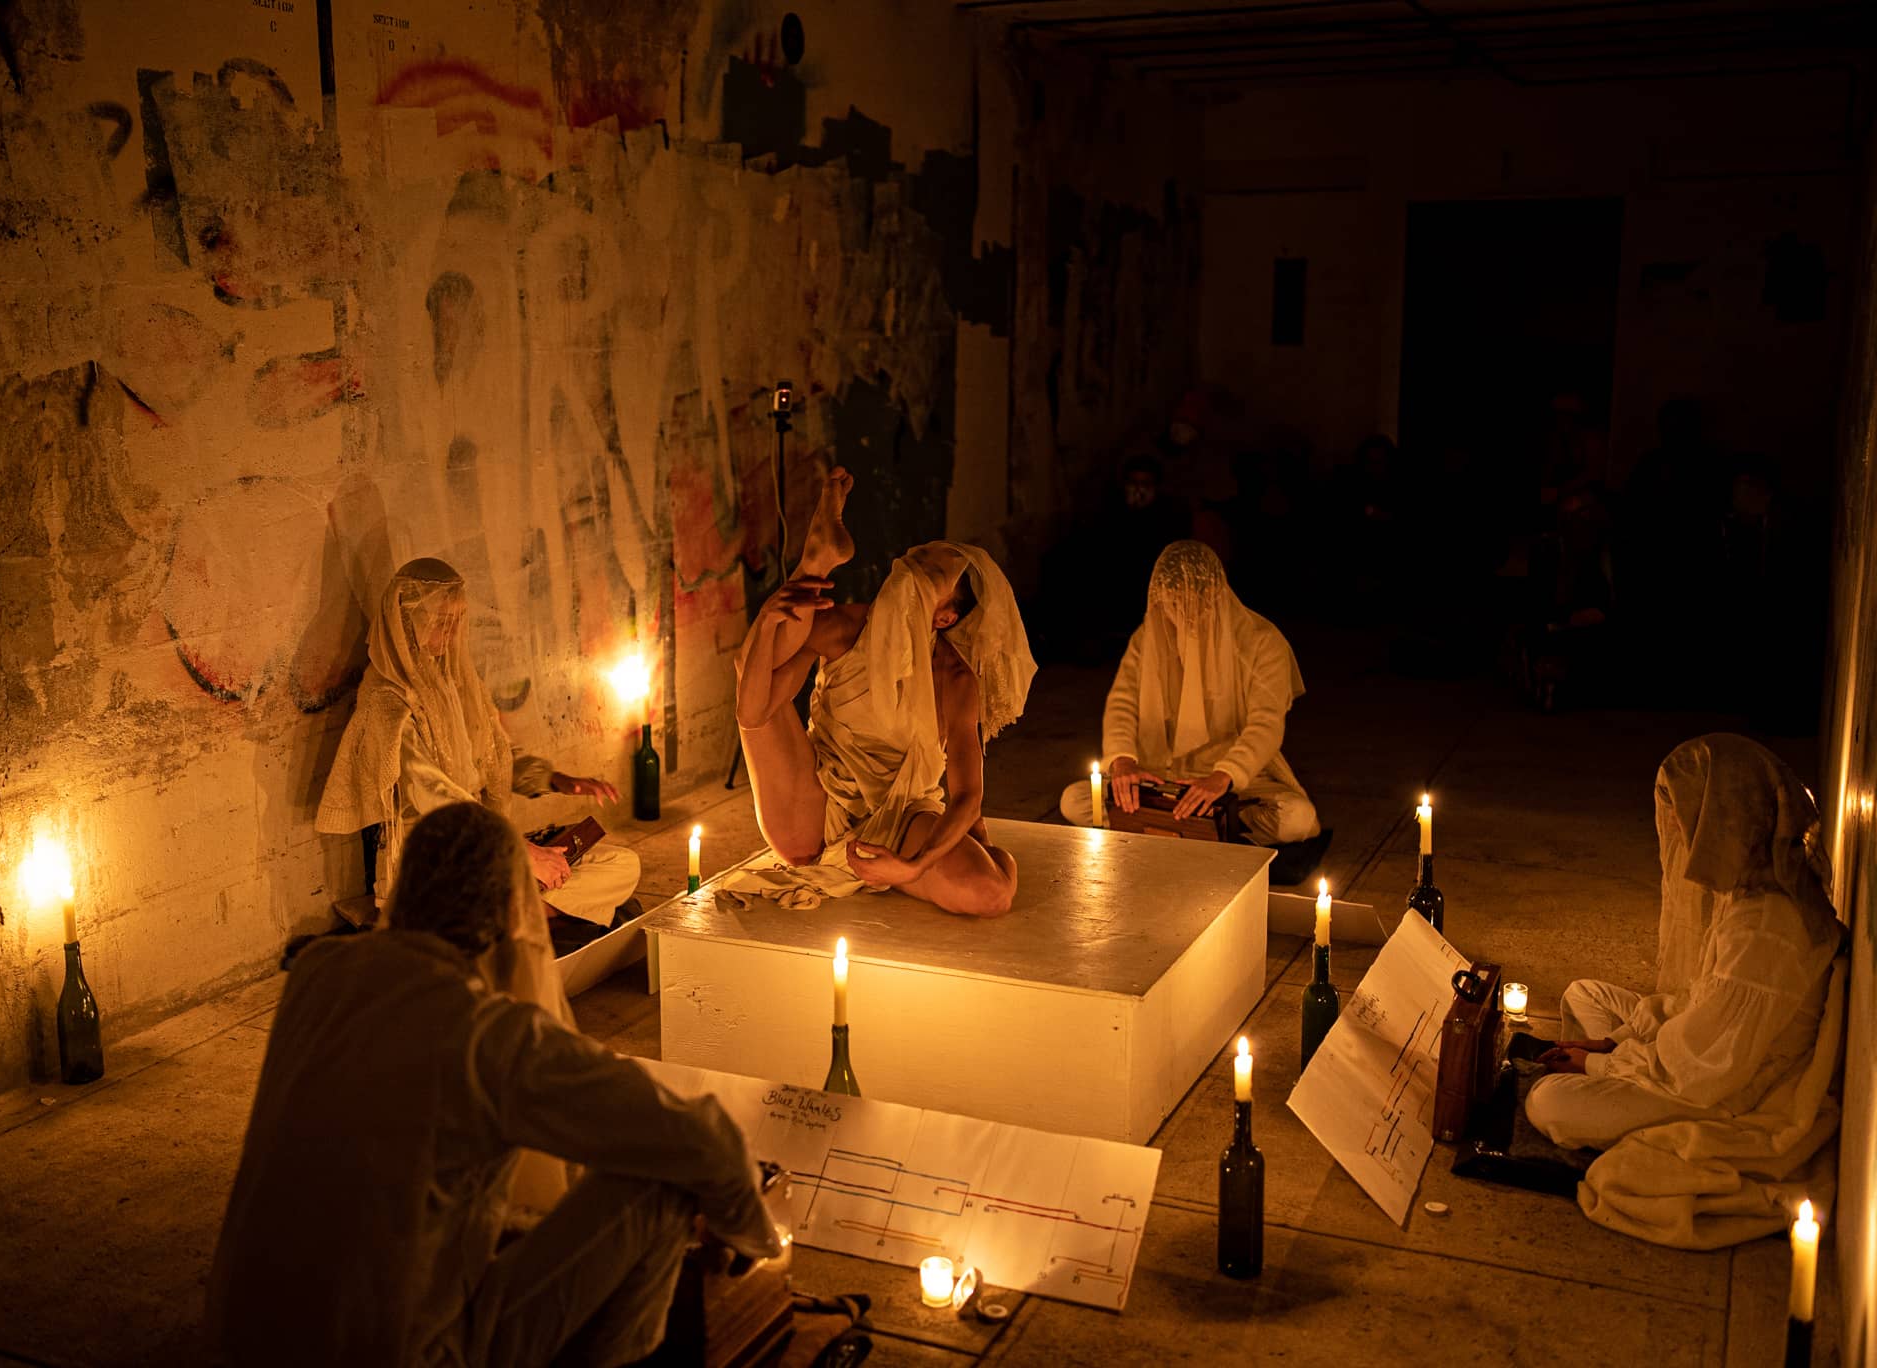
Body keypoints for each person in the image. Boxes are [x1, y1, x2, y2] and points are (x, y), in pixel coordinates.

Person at [207, 803, 781, 1367]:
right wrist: (757, 1244)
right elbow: (704, 1143)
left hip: (241, 1339)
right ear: (516, 911)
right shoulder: (489, 1034)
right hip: (401, 1353)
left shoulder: (318, 973)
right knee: (664, 1185)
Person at [1527, 735, 1841, 1174]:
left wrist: (1602, 1065)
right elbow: (1697, 1001)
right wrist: (1611, 1041)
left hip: (1725, 1097)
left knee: (1549, 1101)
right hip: (1699, 1050)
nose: (1674, 822)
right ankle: (1604, 1071)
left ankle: (1615, 1106)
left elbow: (1701, 1069)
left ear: (1726, 817)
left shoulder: (1767, 927)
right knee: (1585, 994)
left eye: (1684, 808)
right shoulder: (1753, 891)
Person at [733, 468, 1036, 918]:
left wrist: (913, 868)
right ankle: (812, 563)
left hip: (902, 817)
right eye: (921, 564)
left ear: (945, 619)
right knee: (753, 666)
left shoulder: (955, 678)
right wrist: (772, 618)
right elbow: (752, 708)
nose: (915, 580)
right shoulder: (847, 628)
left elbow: (967, 795)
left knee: (991, 894)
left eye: (932, 583)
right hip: (818, 805)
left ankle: (995, 864)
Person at [316, 557, 639, 933]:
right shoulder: (386, 704)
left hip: (486, 839)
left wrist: (556, 780)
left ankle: (511, 914)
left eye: (457, 621)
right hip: (438, 855)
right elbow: (437, 797)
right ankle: (511, 915)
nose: (452, 634)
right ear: (410, 622)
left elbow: (494, 756)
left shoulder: (453, 683)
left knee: (621, 864)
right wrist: (519, 851)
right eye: (441, 623)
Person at [1061, 540, 1319, 846]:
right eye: (1171, 604)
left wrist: (1223, 776)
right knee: (1074, 800)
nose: (1178, 614)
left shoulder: (1261, 642)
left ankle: (1175, 826)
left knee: (1296, 817)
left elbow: (1266, 724)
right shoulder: (1149, 635)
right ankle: (1197, 829)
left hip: (1231, 782)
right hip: (1159, 775)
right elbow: (1122, 702)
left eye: (1188, 604)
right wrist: (1123, 762)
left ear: (1213, 595)